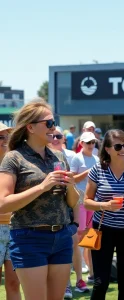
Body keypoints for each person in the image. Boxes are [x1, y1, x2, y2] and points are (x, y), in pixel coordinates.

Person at [0, 99, 79, 300]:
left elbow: (72, 202)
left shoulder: (59, 156)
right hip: (29, 238)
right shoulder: (14, 158)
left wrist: (70, 185)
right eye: (49, 123)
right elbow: (3, 203)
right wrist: (43, 186)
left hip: (61, 237)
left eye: (54, 122)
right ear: (31, 127)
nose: (54, 128)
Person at [84, 129, 124, 300]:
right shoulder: (97, 169)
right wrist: (105, 205)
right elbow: (86, 202)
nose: (123, 149)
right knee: (101, 282)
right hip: (103, 230)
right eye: (118, 146)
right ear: (107, 149)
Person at [49, 126, 89, 297]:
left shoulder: (71, 156)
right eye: (53, 136)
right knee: (61, 248)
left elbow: (73, 184)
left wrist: (76, 220)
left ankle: (79, 279)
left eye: (59, 136)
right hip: (52, 210)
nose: (56, 139)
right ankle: (65, 284)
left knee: (74, 245)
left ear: (64, 139)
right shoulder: (41, 157)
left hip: (72, 205)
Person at [70, 131, 100, 285]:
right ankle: (79, 273)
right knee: (80, 237)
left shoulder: (96, 158)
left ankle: (92, 273)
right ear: (81, 143)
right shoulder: (77, 158)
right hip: (80, 202)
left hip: (92, 202)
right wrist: (88, 172)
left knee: (91, 237)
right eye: (88, 142)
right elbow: (72, 179)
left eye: (93, 142)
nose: (91, 145)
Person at [0, 123, 21, 300]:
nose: (5, 140)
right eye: (0, 137)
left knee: (14, 283)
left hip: (16, 229)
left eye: (7, 136)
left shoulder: (16, 162)